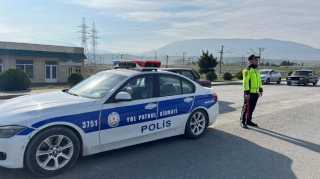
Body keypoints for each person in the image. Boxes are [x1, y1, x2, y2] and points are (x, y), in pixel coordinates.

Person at [240, 54, 263, 129]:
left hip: (255, 92)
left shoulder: (257, 70)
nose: (257, 61)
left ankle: (249, 121)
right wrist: (247, 92)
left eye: (257, 60)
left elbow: (259, 80)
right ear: (251, 61)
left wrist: (260, 89)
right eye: (255, 59)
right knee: (246, 107)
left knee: (252, 107)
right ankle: (242, 121)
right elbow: (245, 82)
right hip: (249, 93)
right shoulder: (247, 70)